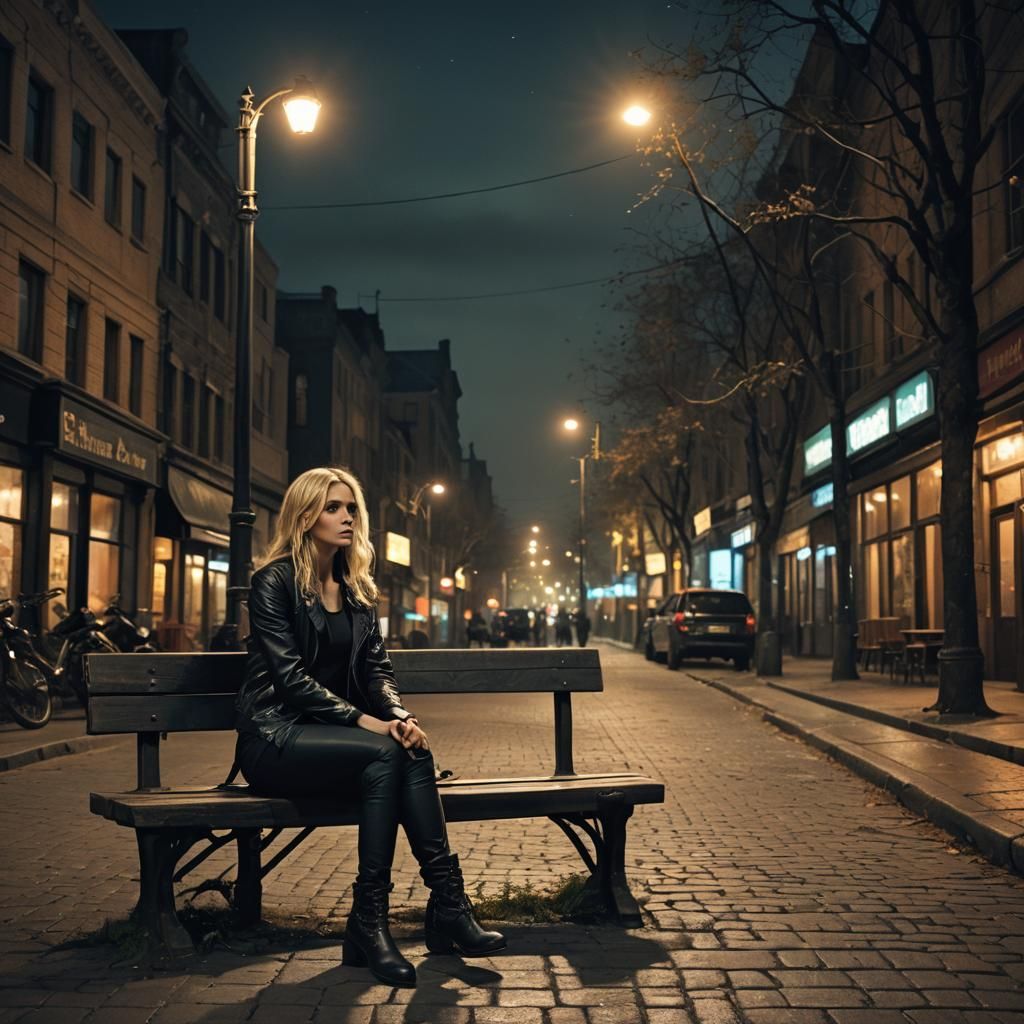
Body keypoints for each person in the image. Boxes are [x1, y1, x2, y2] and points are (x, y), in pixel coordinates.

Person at [234, 466, 505, 988]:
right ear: (305, 514)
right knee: (386, 752)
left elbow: (378, 671)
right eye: (334, 507)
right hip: (275, 739)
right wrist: (368, 722)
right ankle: (385, 918)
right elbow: (289, 681)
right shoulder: (273, 583)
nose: (346, 518)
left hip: (339, 743)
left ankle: (430, 908)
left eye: (352, 508)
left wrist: (399, 716)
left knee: (411, 747)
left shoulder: (357, 589)